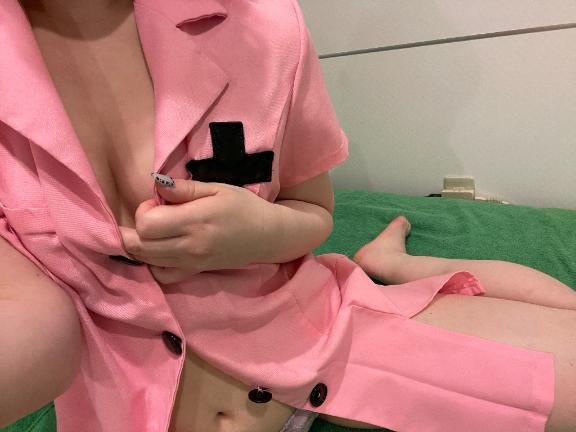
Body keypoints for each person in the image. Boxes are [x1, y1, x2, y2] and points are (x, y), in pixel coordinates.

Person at [0, 1, 574, 432]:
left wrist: (256, 233)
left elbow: (314, 212)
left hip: (321, 343)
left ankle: (397, 266)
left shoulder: (266, 27)